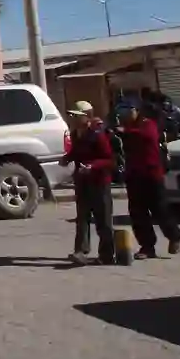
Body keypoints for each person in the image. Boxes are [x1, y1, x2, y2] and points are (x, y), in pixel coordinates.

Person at [119, 102, 180, 259]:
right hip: (134, 176)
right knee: (138, 214)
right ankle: (147, 247)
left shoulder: (148, 124)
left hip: (152, 176)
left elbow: (147, 136)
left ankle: (174, 236)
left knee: (160, 210)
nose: (126, 114)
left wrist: (126, 131)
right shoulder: (124, 128)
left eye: (129, 110)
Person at [60, 102, 115, 265]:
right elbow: (76, 152)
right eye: (72, 116)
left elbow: (110, 160)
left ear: (87, 116)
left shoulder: (98, 134)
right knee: (82, 218)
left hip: (99, 182)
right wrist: (67, 158)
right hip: (82, 182)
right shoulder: (76, 133)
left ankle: (107, 255)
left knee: (103, 220)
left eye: (77, 116)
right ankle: (80, 251)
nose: (73, 119)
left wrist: (92, 166)